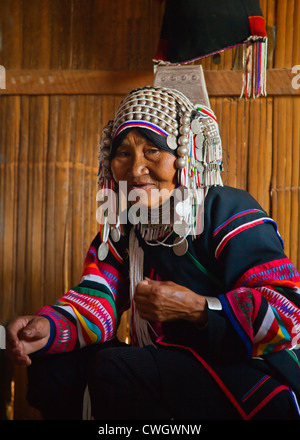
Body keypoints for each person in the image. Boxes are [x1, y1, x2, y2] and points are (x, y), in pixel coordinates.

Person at [6, 86, 300, 420]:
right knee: (54, 362)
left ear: (185, 154)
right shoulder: (126, 225)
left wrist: (199, 308)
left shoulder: (227, 210)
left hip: (247, 374)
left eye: (152, 151)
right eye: (124, 154)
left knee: (116, 367)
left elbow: (289, 313)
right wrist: (49, 326)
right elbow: (97, 296)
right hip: (166, 365)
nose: (135, 170)